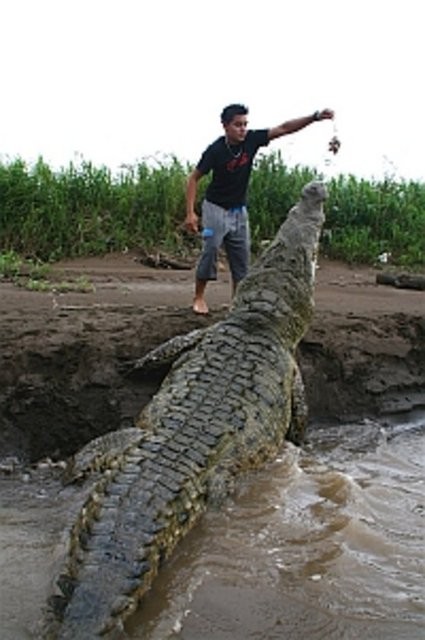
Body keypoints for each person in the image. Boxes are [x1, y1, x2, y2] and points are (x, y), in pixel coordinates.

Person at [184, 103, 334, 314]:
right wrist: (191, 213)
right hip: (214, 209)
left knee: (241, 261)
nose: (242, 129)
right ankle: (199, 297)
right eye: (238, 125)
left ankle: (236, 304)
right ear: (225, 126)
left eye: (245, 124)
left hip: (239, 212)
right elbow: (193, 178)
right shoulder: (216, 150)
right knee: (210, 250)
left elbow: (284, 128)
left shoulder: (252, 140)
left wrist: (315, 117)